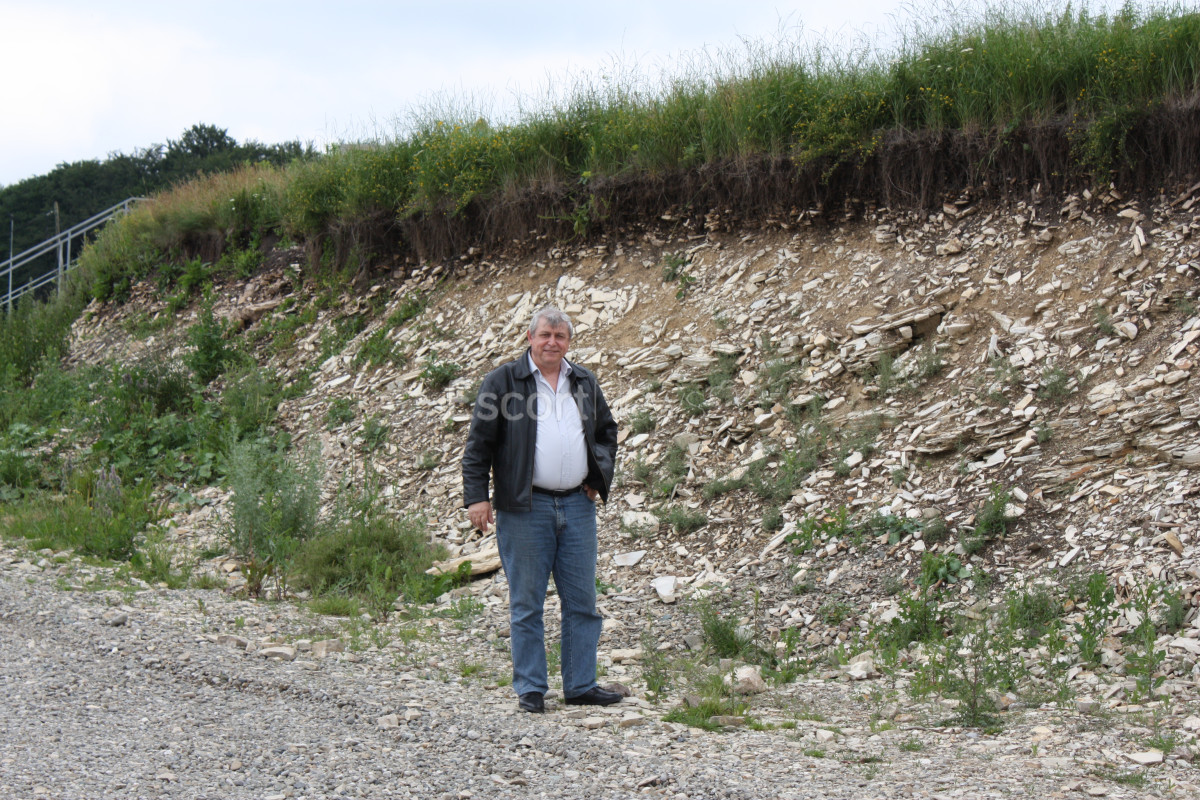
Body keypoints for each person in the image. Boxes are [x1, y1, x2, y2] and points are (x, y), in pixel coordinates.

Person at [462, 306, 621, 713]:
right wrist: (477, 496)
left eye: (560, 336)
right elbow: (478, 444)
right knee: (527, 603)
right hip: (524, 506)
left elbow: (606, 432)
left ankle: (581, 685)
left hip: (577, 505)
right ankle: (531, 688)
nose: (552, 342)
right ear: (530, 337)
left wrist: (598, 477)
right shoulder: (503, 381)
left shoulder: (583, 381)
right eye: (545, 334)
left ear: (568, 342)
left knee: (582, 601)